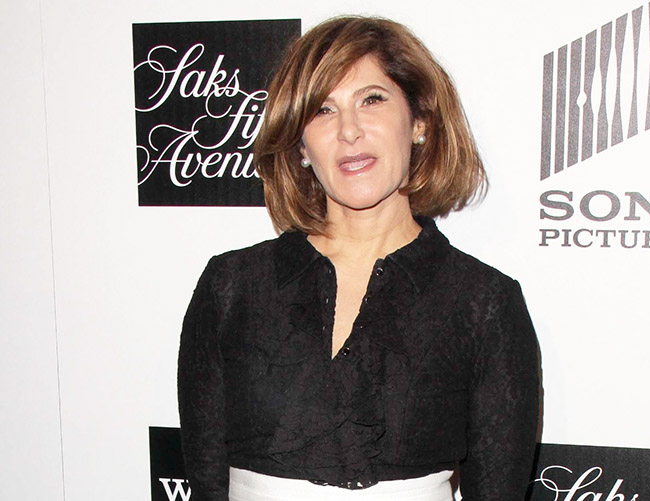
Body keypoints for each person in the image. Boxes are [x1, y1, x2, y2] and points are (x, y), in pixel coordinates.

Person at [178, 15, 541, 501]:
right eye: (323, 110)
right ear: (300, 144)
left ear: (419, 121)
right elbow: (204, 483)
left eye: (371, 99)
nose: (348, 130)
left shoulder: (484, 304)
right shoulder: (231, 286)